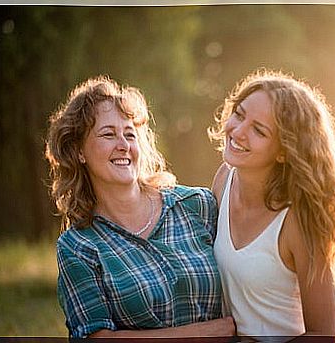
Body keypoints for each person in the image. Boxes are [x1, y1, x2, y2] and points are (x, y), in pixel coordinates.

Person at [45, 76, 234, 338]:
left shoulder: (196, 205)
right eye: (108, 134)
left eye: (130, 134)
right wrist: (206, 333)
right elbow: (96, 339)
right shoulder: (78, 246)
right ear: (79, 151)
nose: (123, 145)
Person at [208, 69, 335, 338]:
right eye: (240, 114)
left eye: (258, 130)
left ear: (283, 151)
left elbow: (325, 335)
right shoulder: (224, 179)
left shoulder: (297, 221)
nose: (238, 131)